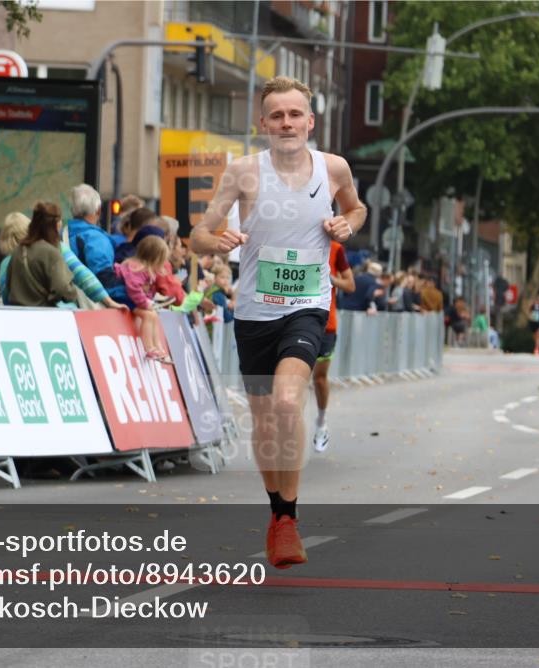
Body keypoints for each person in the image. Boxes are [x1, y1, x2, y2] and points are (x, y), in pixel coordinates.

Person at [190, 76, 366, 569]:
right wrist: (217, 240)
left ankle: (288, 519)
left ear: (310, 121)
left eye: (294, 115)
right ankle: (277, 512)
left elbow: (356, 207)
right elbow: (198, 235)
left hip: (308, 306)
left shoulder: (333, 168)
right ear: (263, 123)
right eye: (277, 116)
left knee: (288, 401)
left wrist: (348, 224)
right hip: (254, 313)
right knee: (265, 420)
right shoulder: (244, 172)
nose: (286, 123)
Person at [0, 211, 127, 310]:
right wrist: (109, 302)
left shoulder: (5, 263)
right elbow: (83, 275)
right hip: (58, 316)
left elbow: (7, 297)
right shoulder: (53, 247)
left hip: (21, 321)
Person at [312, 240, 354, 453]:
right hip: (295, 320)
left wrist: (331, 279)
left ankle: (321, 423)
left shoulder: (336, 249)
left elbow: (350, 285)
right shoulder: (296, 239)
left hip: (326, 323)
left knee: (319, 378)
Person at [6, 202, 81, 308]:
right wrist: (73, 293)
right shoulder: (51, 253)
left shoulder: (18, 250)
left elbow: (9, 284)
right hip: (42, 313)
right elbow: (62, 289)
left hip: (16, 313)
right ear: (57, 224)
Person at [114, 235, 172, 362]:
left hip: (130, 298)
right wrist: (145, 303)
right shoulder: (138, 268)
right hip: (123, 298)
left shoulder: (145, 268)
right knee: (148, 315)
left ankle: (158, 347)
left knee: (153, 315)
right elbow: (133, 289)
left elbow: (145, 290)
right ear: (155, 258)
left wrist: (148, 301)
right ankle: (149, 348)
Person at [65, 184, 121, 293]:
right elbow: (105, 281)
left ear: (72, 210)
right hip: (88, 301)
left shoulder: (61, 234)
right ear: (98, 210)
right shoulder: (96, 239)